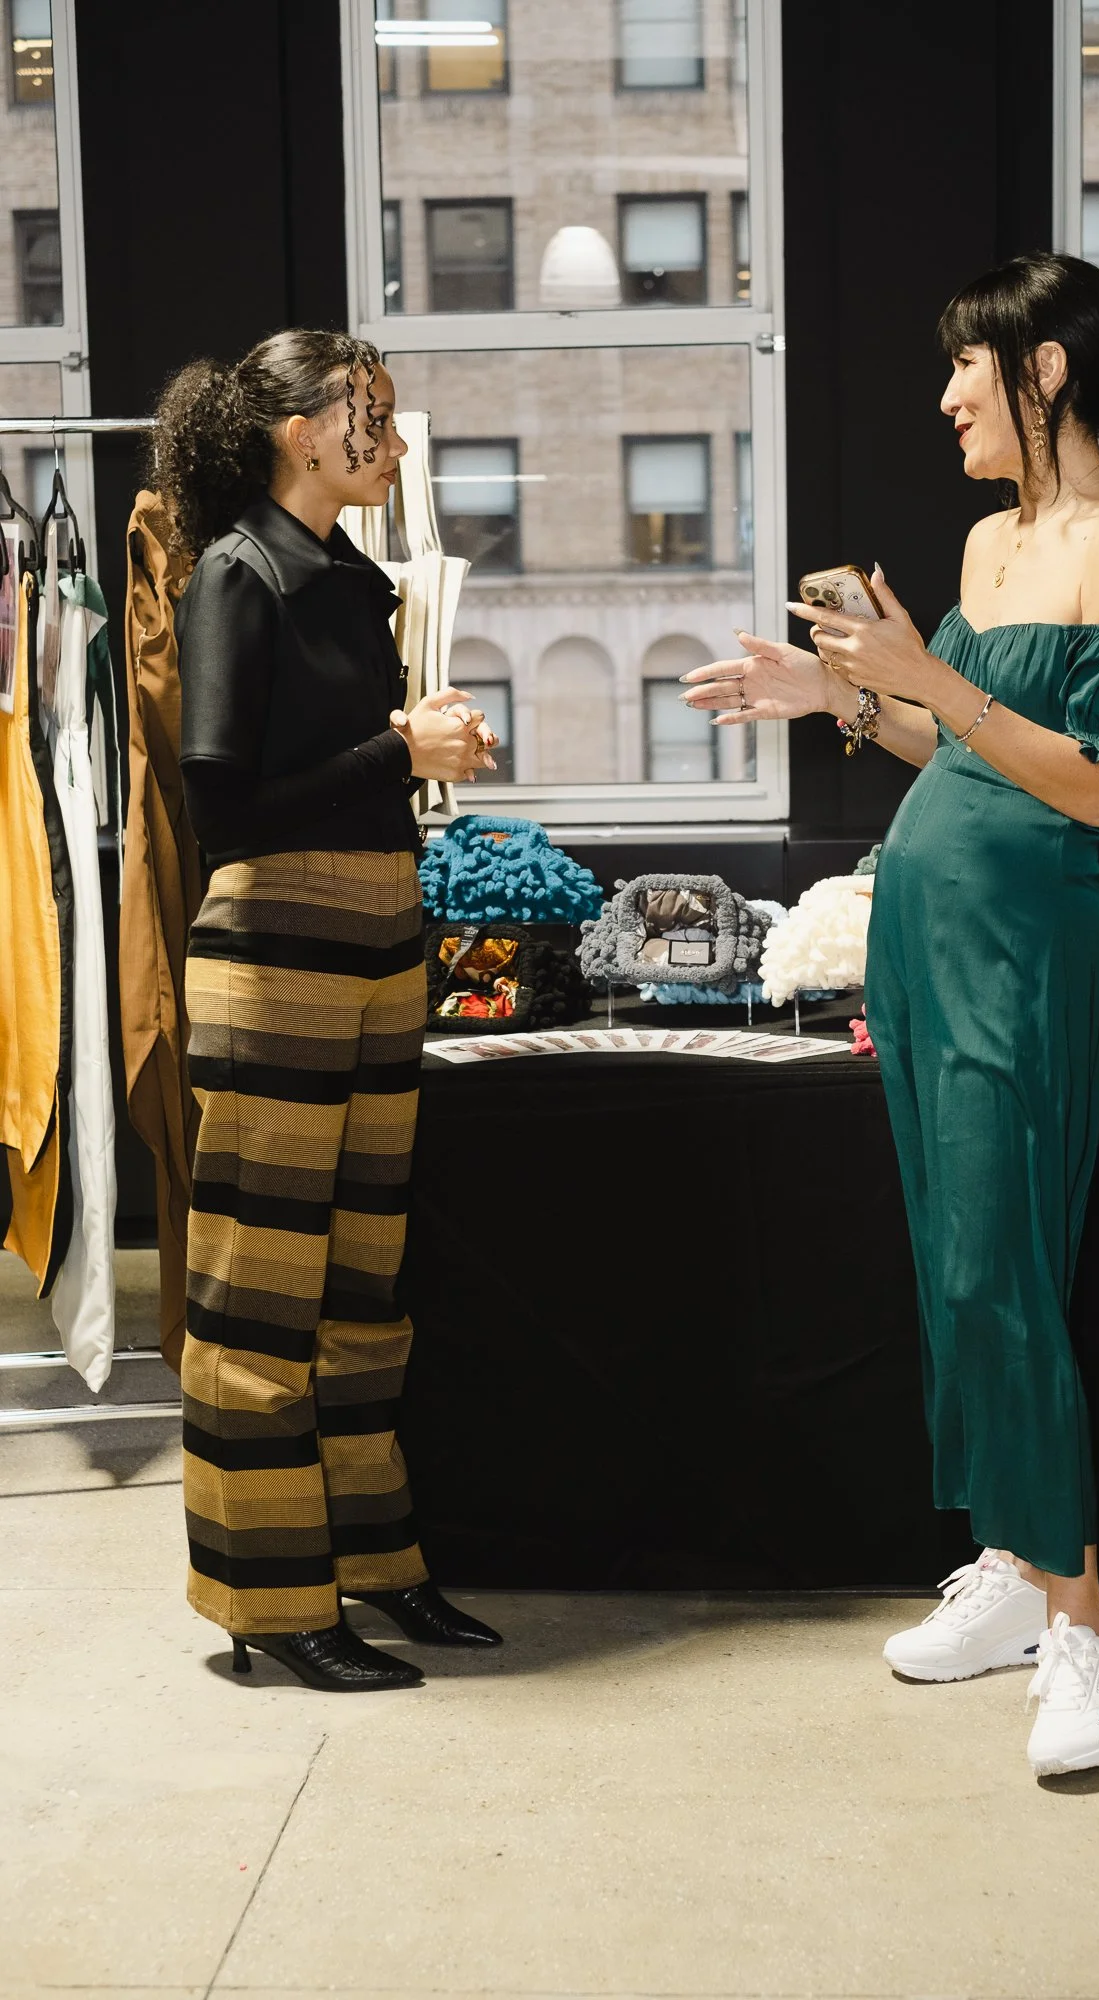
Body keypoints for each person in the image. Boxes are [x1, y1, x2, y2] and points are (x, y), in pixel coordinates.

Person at [683, 254, 1099, 1777]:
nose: (948, 394)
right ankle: (1019, 1571)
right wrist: (838, 697)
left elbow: (1091, 783)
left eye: (970, 363)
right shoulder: (987, 542)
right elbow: (964, 751)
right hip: (926, 938)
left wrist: (922, 680)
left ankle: (1093, 1636)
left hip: (1023, 947)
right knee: (957, 1268)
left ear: (1047, 368)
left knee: (1003, 1268)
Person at [161, 329, 503, 1691]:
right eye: (376, 417)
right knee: (260, 1292)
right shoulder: (237, 573)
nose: (396, 443)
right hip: (277, 955)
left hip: (372, 940)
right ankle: (271, 1597)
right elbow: (223, 807)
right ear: (301, 431)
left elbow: (345, 770)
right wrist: (399, 749)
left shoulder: (349, 579)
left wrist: (417, 752)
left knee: (363, 1285)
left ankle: (373, 1566)